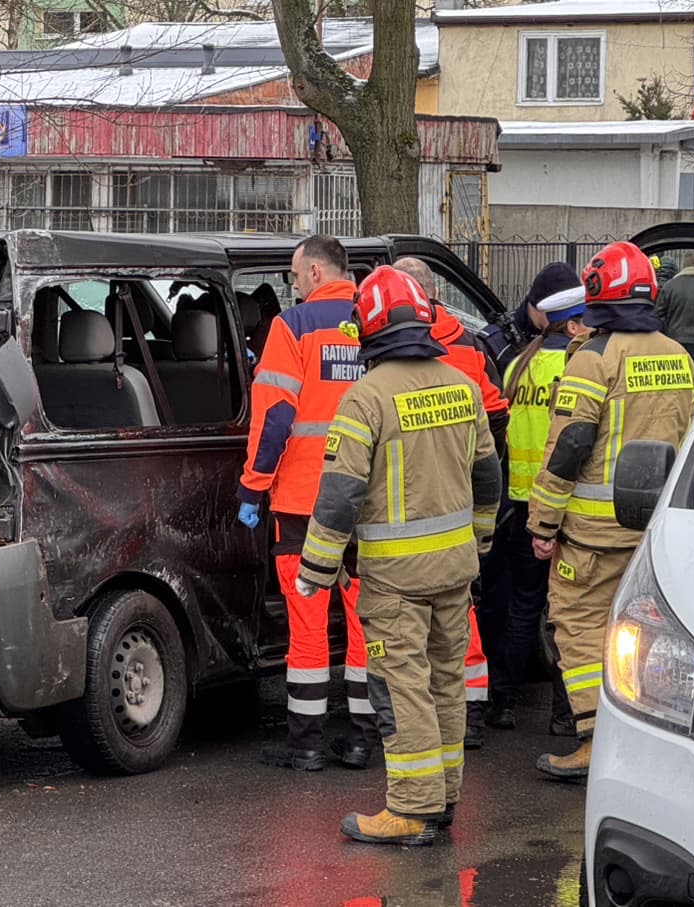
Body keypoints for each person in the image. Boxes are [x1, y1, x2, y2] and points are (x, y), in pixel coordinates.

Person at [295, 265, 500, 845]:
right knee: (444, 683)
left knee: (400, 683)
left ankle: (411, 807)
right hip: (456, 569)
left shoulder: (367, 397)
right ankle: (444, 797)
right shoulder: (461, 385)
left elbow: (339, 495)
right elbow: (489, 478)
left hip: (394, 580)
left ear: (369, 327)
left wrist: (316, 570)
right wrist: (480, 542)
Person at [528, 241, 694, 780]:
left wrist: (542, 523)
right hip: (653, 532)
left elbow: (570, 446)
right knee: (646, 633)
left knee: (576, 627)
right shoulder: (679, 356)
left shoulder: (593, 359)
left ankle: (593, 740)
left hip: (592, 533)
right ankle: (649, 738)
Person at [238, 235, 379, 771]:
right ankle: (364, 736)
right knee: (366, 619)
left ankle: (308, 744)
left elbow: (275, 417)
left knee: (308, 623)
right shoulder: (376, 322)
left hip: (303, 499)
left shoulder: (291, 327)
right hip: (368, 498)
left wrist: (253, 486)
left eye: (295, 275)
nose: (292, 284)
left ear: (316, 272)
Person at [393, 257, 509, 749]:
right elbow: (495, 418)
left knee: (408, 626)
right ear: (435, 291)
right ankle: (471, 713)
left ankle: (420, 725)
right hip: (461, 501)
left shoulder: (392, 348)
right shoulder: (467, 342)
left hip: (411, 501)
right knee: (459, 613)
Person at [486, 265, 586, 735]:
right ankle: (567, 715)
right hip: (560, 502)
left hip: (517, 499)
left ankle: (501, 701)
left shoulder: (517, 363)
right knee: (566, 612)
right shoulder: (575, 364)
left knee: (522, 604)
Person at [478, 264, 559, 376]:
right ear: (538, 304)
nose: (563, 318)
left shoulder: (563, 336)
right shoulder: (492, 344)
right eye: (558, 309)